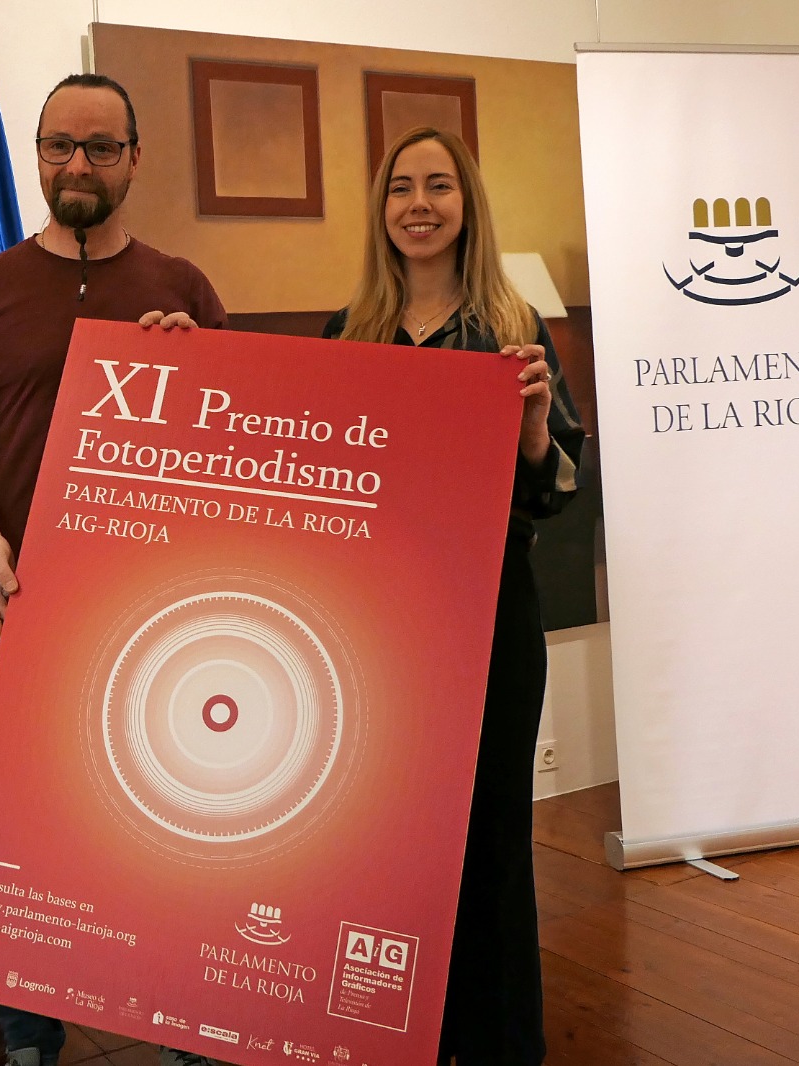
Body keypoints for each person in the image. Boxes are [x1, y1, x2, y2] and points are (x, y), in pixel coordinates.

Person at [0, 73, 228, 1066]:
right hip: (23, 604)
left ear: (134, 157)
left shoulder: (183, 287)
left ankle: (184, 1028)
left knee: (174, 824)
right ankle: (26, 1041)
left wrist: (201, 372)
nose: (76, 165)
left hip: (161, 613)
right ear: (37, 155)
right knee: (28, 829)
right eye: (58, 146)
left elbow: (241, 449)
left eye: (99, 146)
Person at [322, 126, 583, 1066]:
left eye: (439, 186)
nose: (419, 204)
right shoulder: (348, 333)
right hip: (379, 632)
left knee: (493, 836)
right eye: (401, 188)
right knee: (395, 840)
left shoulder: (515, 329)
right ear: (382, 208)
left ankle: (504, 1040)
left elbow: (557, 490)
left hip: (491, 619)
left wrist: (528, 429)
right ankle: (404, 1035)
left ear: (467, 203)